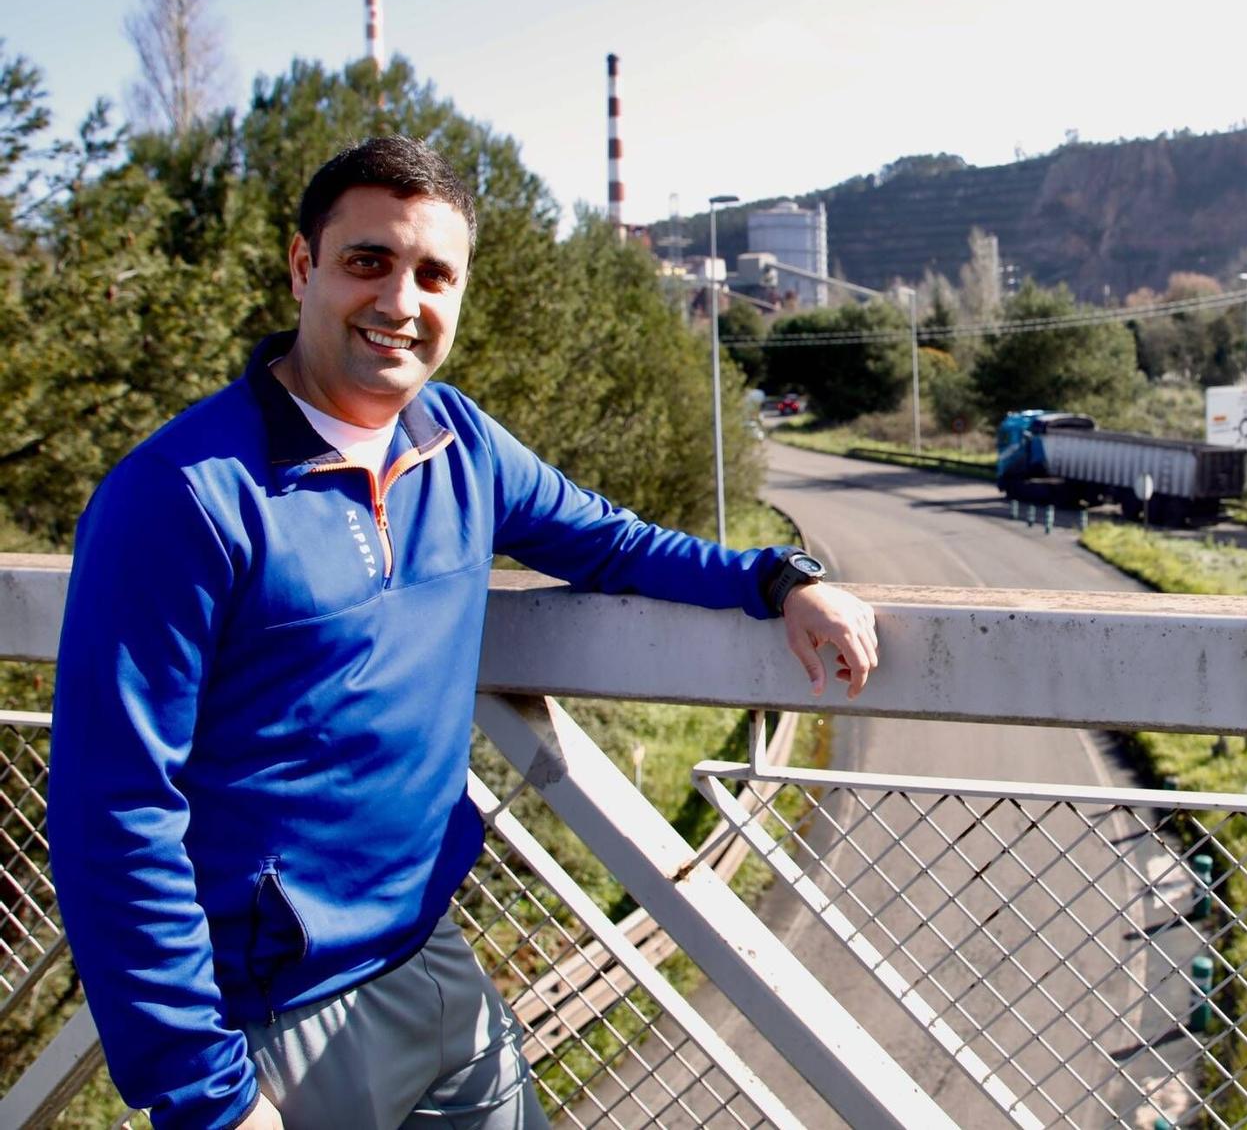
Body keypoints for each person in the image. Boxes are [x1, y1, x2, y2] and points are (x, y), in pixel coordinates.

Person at [47, 136, 878, 1130]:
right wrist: (207, 1097)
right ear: (303, 267)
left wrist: (779, 578)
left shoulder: (457, 442)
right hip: (277, 1019)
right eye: (369, 261)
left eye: (434, 274)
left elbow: (611, 543)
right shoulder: (180, 499)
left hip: (432, 954)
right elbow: (114, 813)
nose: (402, 300)